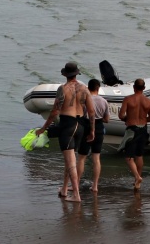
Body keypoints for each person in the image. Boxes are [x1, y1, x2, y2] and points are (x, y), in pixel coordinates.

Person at [37, 61, 95, 201]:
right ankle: (64, 189)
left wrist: (43, 128)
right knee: (70, 159)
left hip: (67, 125)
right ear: (76, 74)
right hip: (80, 125)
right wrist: (92, 130)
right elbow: (92, 112)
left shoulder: (62, 89)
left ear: (65, 75)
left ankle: (76, 195)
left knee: (71, 162)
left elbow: (54, 111)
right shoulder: (85, 89)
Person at [117, 78, 150, 190]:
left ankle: (137, 177)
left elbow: (121, 115)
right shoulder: (148, 102)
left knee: (128, 157)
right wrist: (142, 120)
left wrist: (129, 119)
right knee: (139, 155)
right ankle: (137, 182)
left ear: (134, 87)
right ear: (144, 88)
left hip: (132, 130)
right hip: (143, 129)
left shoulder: (128, 99)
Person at [76, 78, 110, 193]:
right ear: (98, 88)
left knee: (82, 158)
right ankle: (95, 186)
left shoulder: (84, 100)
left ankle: (76, 184)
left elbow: (80, 114)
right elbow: (107, 119)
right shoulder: (104, 101)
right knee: (96, 158)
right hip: (99, 127)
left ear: (88, 87)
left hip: (87, 127)